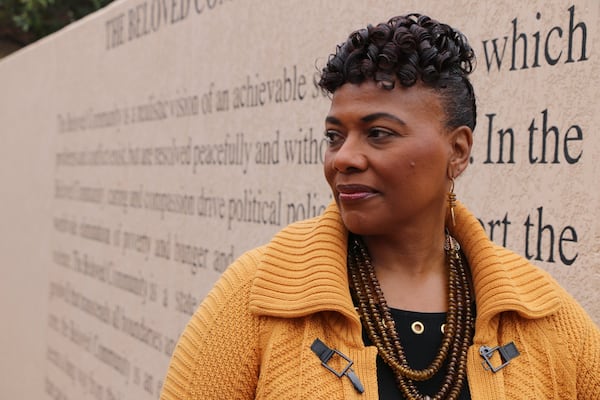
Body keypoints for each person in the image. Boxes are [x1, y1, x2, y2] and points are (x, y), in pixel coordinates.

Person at [159, 13, 600, 400]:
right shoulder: (259, 294)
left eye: (379, 133)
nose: (343, 157)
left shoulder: (544, 316)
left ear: (458, 150)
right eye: (335, 136)